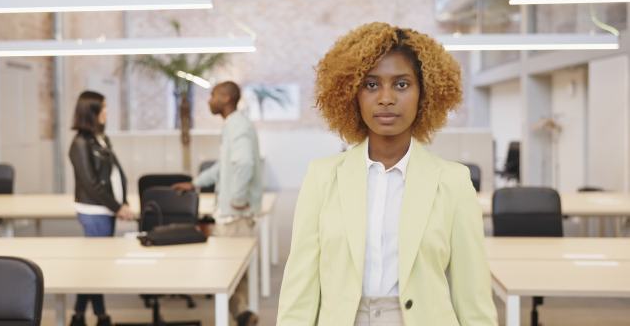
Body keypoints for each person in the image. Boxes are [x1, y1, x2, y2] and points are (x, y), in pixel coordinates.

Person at [277, 23, 497, 326]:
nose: (386, 98)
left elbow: (473, 297)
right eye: (371, 85)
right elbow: (299, 289)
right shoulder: (322, 177)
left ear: (425, 94)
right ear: (351, 94)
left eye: (402, 84)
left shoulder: (453, 182)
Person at [173, 81, 262, 326]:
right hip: (232, 213)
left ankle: (240, 315)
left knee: (227, 271)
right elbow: (224, 167)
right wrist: (196, 183)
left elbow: (244, 164)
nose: (209, 100)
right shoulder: (234, 125)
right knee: (235, 271)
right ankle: (242, 315)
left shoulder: (237, 126)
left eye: (212, 95)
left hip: (234, 215)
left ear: (225, 98)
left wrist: (238, 199)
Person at [68, 91, 135, 326]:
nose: (107, 112)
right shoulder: (80, 143)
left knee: (94, 264)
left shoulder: (100, 138)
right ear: (91, 112)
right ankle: (99, 315)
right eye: (103, 108)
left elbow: (114, 174)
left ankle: (79, 315)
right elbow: (92, 184)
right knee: (94, 267)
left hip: (107, 210)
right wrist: (118, 207)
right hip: (95, 211)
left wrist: (122, 202)